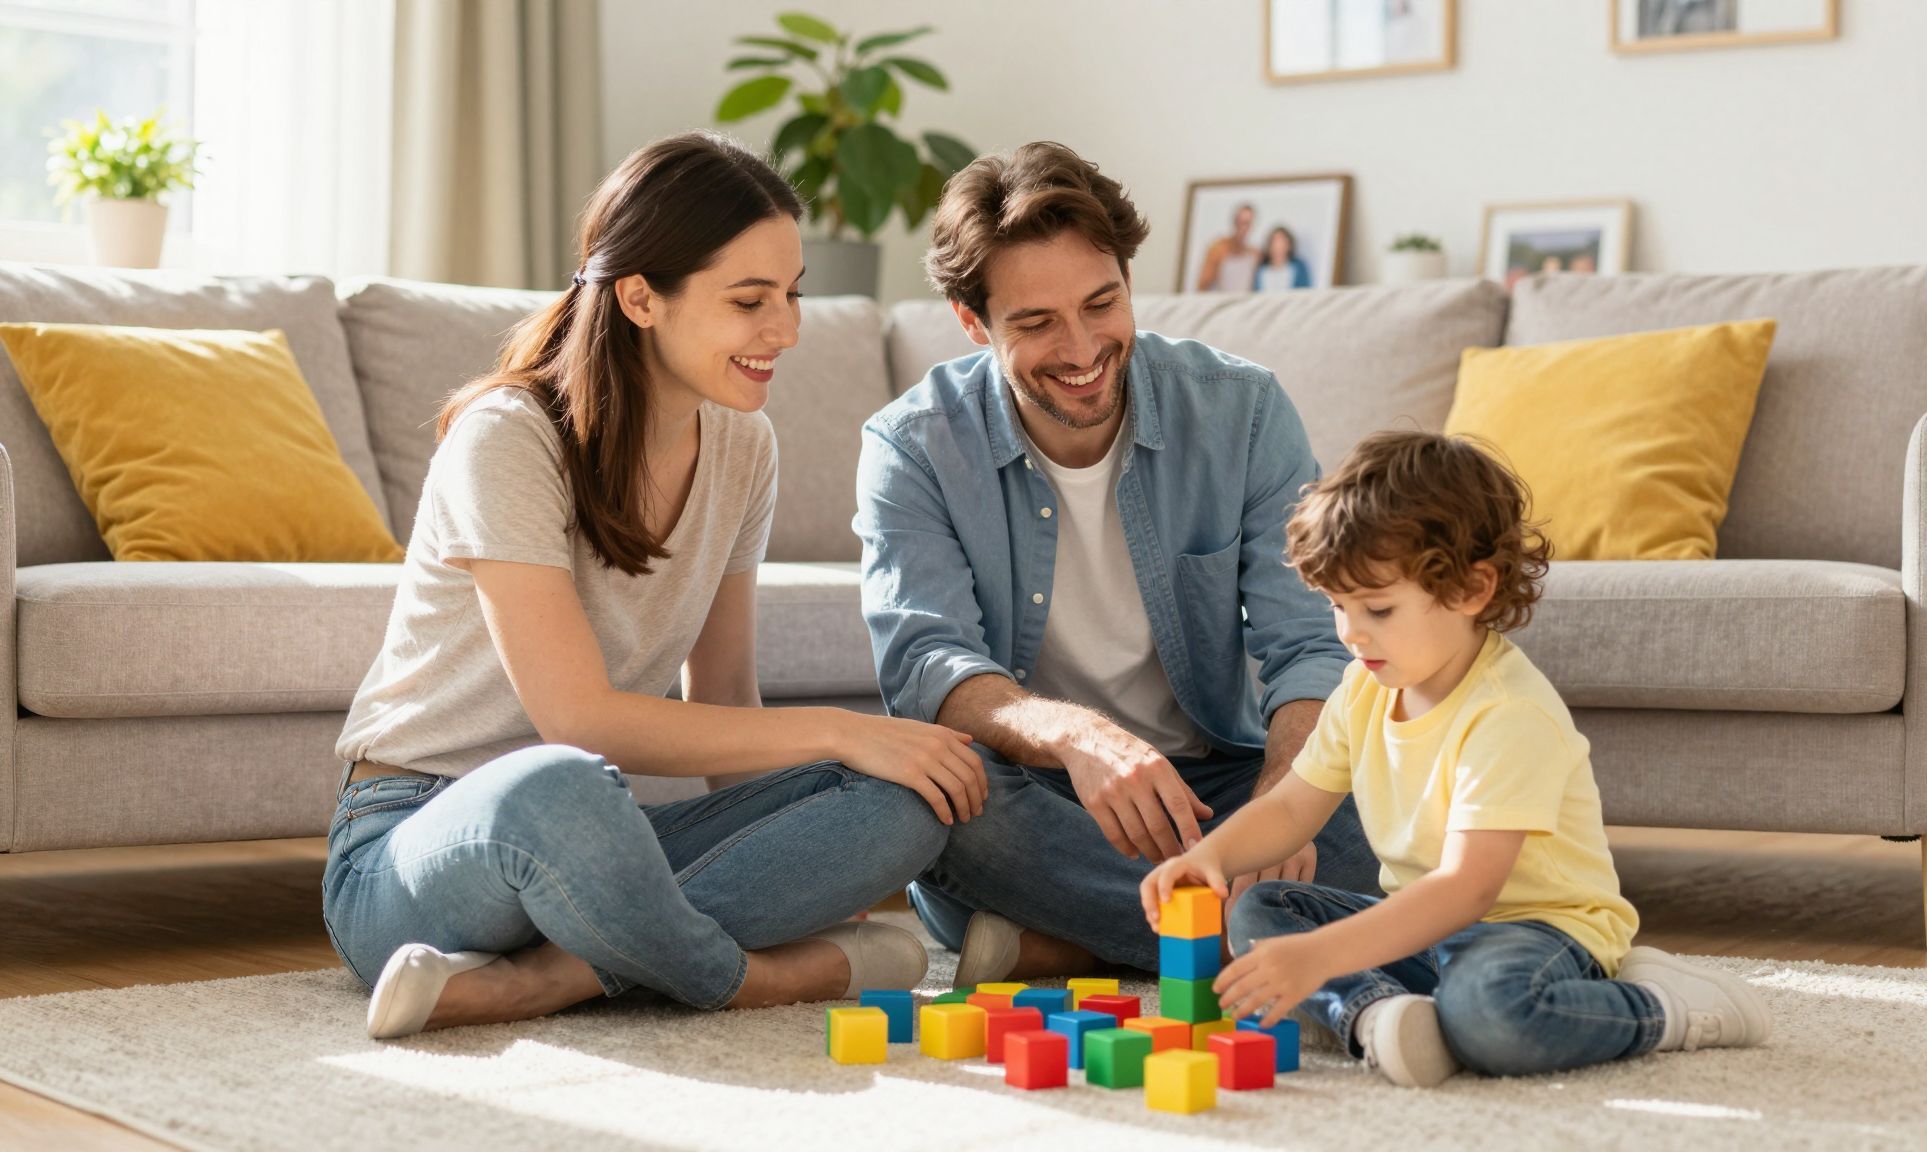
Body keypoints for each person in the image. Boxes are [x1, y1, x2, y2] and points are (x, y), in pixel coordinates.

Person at [324, 132, 985, 1040]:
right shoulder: (509, 438)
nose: (786, 330)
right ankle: (741, 977)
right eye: (750, 301)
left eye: (791, 296)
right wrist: (841, 728)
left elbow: (723, 703)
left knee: (910, 796)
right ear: (640, 296)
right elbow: (579, 723)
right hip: (416, 847)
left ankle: (549, 977)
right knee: (562, 786)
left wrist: (838, 792)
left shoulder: (745, 447)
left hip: (604, 844)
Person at [855, 142, 1380, 988]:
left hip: (1226, 784)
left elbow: (1309, 642)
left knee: (1397, 790)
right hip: (1048, 793)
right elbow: (925, 663)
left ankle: (1075, 945)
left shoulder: (1242, 411)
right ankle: (1266, 937)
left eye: (1103, 303)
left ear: (1129, 281)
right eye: (1034, 323)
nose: (1082, 347)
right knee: (936, 808)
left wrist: (1285, 804)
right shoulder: (912, 447)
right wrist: (1079, 738)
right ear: (970, 321)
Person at [1142, 430, 1770, 1086]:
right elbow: (1293, 807)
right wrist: (1209, 856)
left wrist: (1320, 957)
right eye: (1336, 606)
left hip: (1538, 932)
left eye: (1378, 609)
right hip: (1425, 926)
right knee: (1261, 910)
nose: (1351, 633)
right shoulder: (1363, 684)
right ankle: (1378, 1017)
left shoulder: (1509, 712)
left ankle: (1662, 1006)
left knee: (1490, 1018)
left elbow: (1469, 889)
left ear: (1472, 589)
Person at [1196, 202, 1260, 292]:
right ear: (1234, 222)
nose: (1243, 228)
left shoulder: (1254, 253)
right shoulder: (1217, 248)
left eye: (1247, 223)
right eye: (1240, 223)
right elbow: (1203, 285)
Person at [1253, 225, 1312, 292]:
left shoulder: (1299, 268)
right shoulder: (1261, 271)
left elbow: (1305, 292)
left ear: (1289, 245)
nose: (1278, 246)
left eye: (1282, 241)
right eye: (1275, 241)